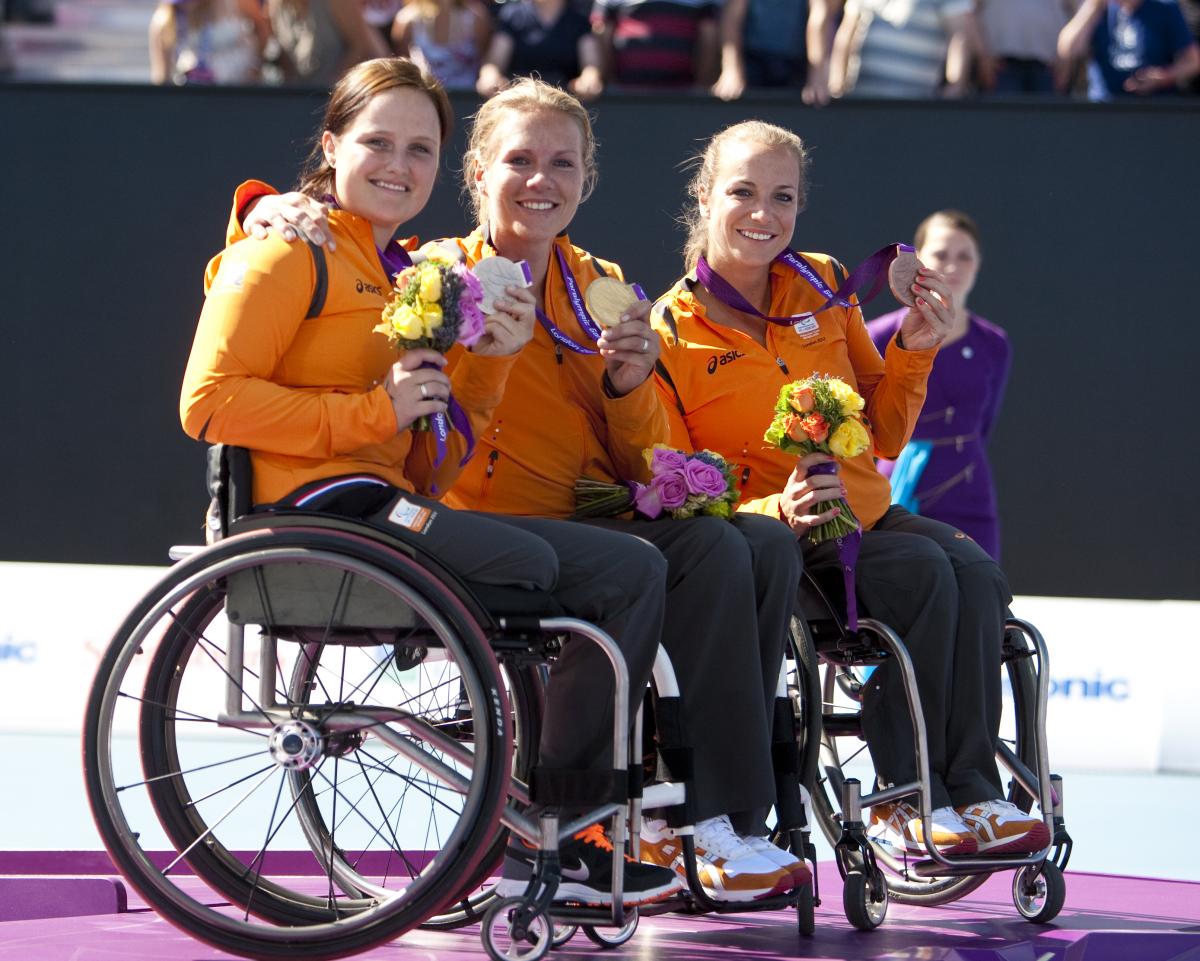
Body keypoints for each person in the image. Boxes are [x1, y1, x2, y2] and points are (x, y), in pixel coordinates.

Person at [244, 77, 810, 904]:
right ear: (476, 173)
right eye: (519, 160)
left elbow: (641, 462)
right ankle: (602, 821)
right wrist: (262, 207)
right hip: (476, 522)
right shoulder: (435, 275)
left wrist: (629, 385)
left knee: (754, 541)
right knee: (691, 551)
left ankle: (716, 820)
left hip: (586, 517)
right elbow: (421, 428)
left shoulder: (603, 285)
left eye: (562, 162)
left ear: (587, 177)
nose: (541, 179)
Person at [181, 57, 681, 909]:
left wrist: (487, 365)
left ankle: (568, 825)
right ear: (332, 146)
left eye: (419, 147)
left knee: (631, 568)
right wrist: (372, 412)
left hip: (388, 504)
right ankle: (539, 831)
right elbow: (207, 403)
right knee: (531, 557)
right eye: (377, 142)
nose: (398, 165)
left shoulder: (409, 273)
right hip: (317, 514)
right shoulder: (283, 246)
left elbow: (430, 464)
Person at [651, 120, 1050, 858]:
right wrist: (776, 509)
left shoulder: (824, 282)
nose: (764, 214)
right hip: (780, 543)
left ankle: (971, 789)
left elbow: (885, 430)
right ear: (704, 197)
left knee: (981, 575)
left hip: (869, 513)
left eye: (783, 196)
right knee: (931, 573)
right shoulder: (670, 328)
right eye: (743, 192)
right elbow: (680, 489)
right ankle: (908, 798)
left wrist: (915, 352)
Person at [867, 211, 1010, 562]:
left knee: (981, 589)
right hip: (896, 486)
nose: (953, 266)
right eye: (941, 255)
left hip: (968, 487)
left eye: (965, 256)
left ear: (978, 265)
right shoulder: (878, 334)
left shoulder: (993, 342)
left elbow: (985, 422)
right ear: (919, 262)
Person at [825, 0, 979, 99]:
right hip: (862, 101)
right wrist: (837, 83)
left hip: (913, 107)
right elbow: (845, 35)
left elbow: (959, 36)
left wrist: (955, 86)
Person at [1057, 0, 1200, 99]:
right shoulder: (1098, 10)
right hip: (1104, 109)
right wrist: (1093, 7)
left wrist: (1163, 77)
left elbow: (1192, 62)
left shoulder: (1164, 8)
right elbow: (1068, 51)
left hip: (1155, 110)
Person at [476, 0, 603, 99]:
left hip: (565, 105)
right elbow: (494, 61)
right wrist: (489, 75)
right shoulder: (513, 15)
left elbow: (591, 64)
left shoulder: (579, 20)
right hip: (518, 103)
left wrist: (590, 78)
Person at [591, 0, 720, 89]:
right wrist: (610, 84)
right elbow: (600, 33)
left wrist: (702, 87)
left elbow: (709, 37)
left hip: (684, 97)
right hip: (625, 96)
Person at [267, 0, 390, 85]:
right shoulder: (275, 6)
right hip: (301, 106)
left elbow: (367, 49)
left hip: (343, 102)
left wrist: (329, 88)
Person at [149, 0, 269, 85]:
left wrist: (257, 65)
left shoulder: (236, 3)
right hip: (197, 97)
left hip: (242, 90)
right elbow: (162, 77)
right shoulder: (164, 20)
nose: (188, 5)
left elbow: (263, 29)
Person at [973, 0, 1079, 95]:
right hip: (999, 66)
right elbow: (967, 10)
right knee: (1001, 115)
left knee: (1049, 115)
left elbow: (1081, 11)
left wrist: (1068, 57)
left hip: (1050, 67)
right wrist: (983, 55)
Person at [711, 0, 809, 100]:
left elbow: (820, 16)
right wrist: (731, 71)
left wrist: (818, 75)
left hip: (796, 62)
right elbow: (731, 18)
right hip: (751, 59)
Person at [391, 0, 491, 90]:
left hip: (469, 98)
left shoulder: (477, 18)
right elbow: (403, 68)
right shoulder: (406, 21)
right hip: (428, 97)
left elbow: (485, 60)